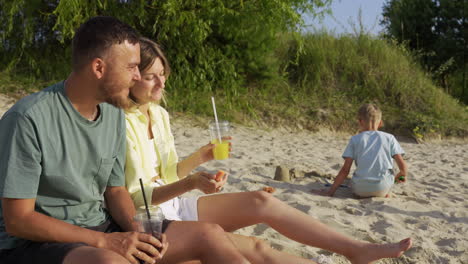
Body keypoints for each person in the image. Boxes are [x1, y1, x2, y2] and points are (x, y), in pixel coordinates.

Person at [124, 37, 413, 264]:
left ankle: (355, 249)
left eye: (164, 74)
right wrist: (190, 183)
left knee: (262, 200)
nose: (162, 83)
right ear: (133, 78)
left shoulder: (159, 114)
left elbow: (169, 172)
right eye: (152, 77)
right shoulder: (121, 122)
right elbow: (135, 195)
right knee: (255, 247)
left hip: (173, 204)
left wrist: (202, 157)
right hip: (148, 217)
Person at [0, 16, 259, 264]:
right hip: (34, 242)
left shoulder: (113, 114)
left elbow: (115, 191)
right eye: (131, 67)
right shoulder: (28, 119)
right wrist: (104, 241)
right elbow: (18, 220)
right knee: (110, 261)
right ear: (98, 67)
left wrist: (138, 230)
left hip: (100, 226)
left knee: (209, 234)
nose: (137, 76)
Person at [315, 103, 408, 198]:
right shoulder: (390, 138)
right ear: (380, 123)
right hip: (383, 188)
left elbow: (345, 170)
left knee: (353, 180)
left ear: (360, 121)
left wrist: (330, 192)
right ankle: (386, 191)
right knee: (392, 173)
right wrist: (398, 178)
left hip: (360, 190)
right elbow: (403, 169)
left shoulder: (355, 139)